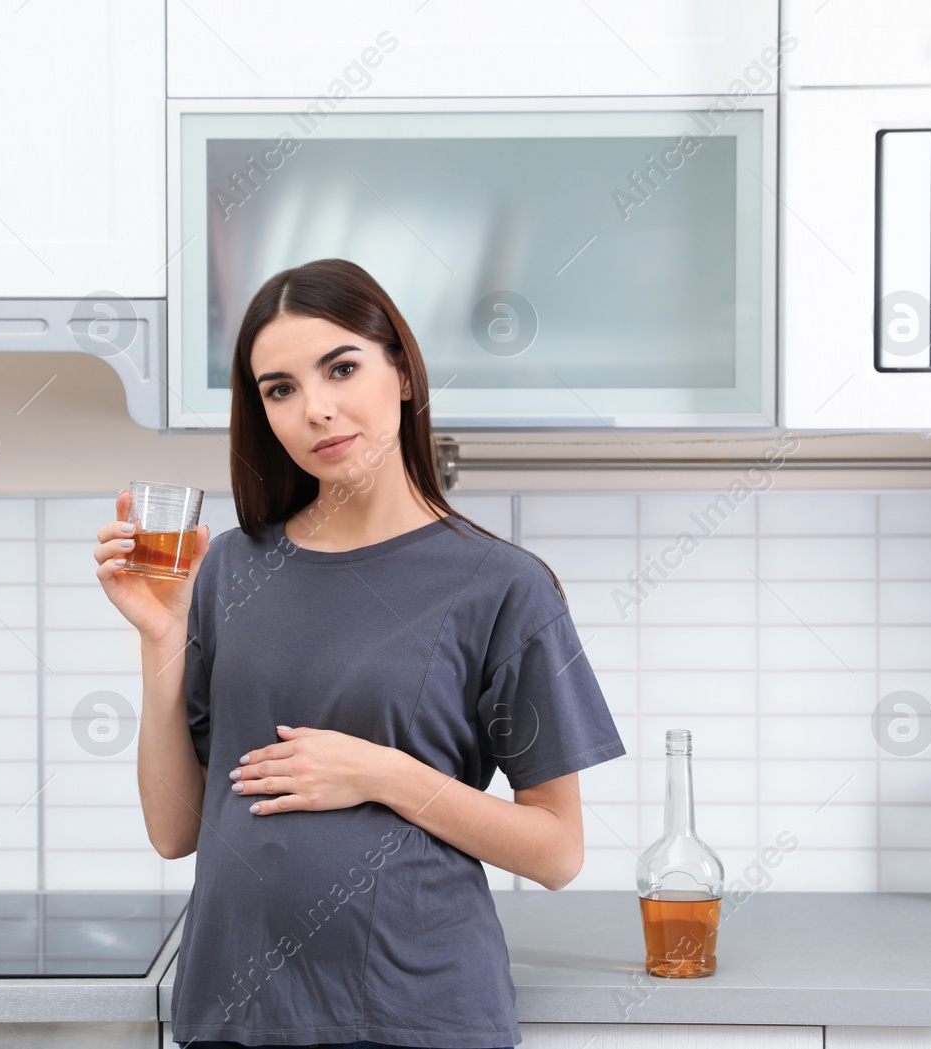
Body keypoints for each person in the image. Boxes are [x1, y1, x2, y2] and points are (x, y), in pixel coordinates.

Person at [93, 258, 626, 1049]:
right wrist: (163, 636)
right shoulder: (229, 569)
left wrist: (380, 772)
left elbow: (556, 850)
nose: (316, 409)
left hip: (419, 1018)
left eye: (341, 368)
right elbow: (176, 829)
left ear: (404, 373)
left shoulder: (504, 585)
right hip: (231, 1016)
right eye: (280, 389)